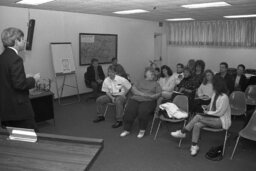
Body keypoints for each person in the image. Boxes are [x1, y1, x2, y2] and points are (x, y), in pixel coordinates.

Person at [171, 77, 231, 156]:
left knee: (198, 117)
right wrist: (206, 107)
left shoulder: (224, 97)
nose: (212, 85)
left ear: (217, 85)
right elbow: (211, 106)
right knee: (197, 125)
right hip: (211, 119)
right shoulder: (214, 94)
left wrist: (207, 112)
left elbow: (220, 113)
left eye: (213, 84)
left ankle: (183, 132)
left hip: (221, 121)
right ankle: (194, 146)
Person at [0, 27, 40, 131]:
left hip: (6, 108)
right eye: (23, 39)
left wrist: (23, 76)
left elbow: (6, 78)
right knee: (31, 137)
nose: (25, 41)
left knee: (16, 137)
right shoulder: (16, 59)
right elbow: (20, 85)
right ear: (17, 41)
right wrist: (33, 79)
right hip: (18, 109)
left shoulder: (3, 57)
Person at [120, 67, 161, 138]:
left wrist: (152, 97)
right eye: (151, 73)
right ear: (146, 74)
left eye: (153, 74)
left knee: (143, 111)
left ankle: (142, 130)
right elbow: (133, 90)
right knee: (129, 110)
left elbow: (159, 94)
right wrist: (144, 94)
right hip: (136, 99)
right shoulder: (139, 81)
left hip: (148, 101)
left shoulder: (156, 84)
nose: (152, 75)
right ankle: (126, 129)